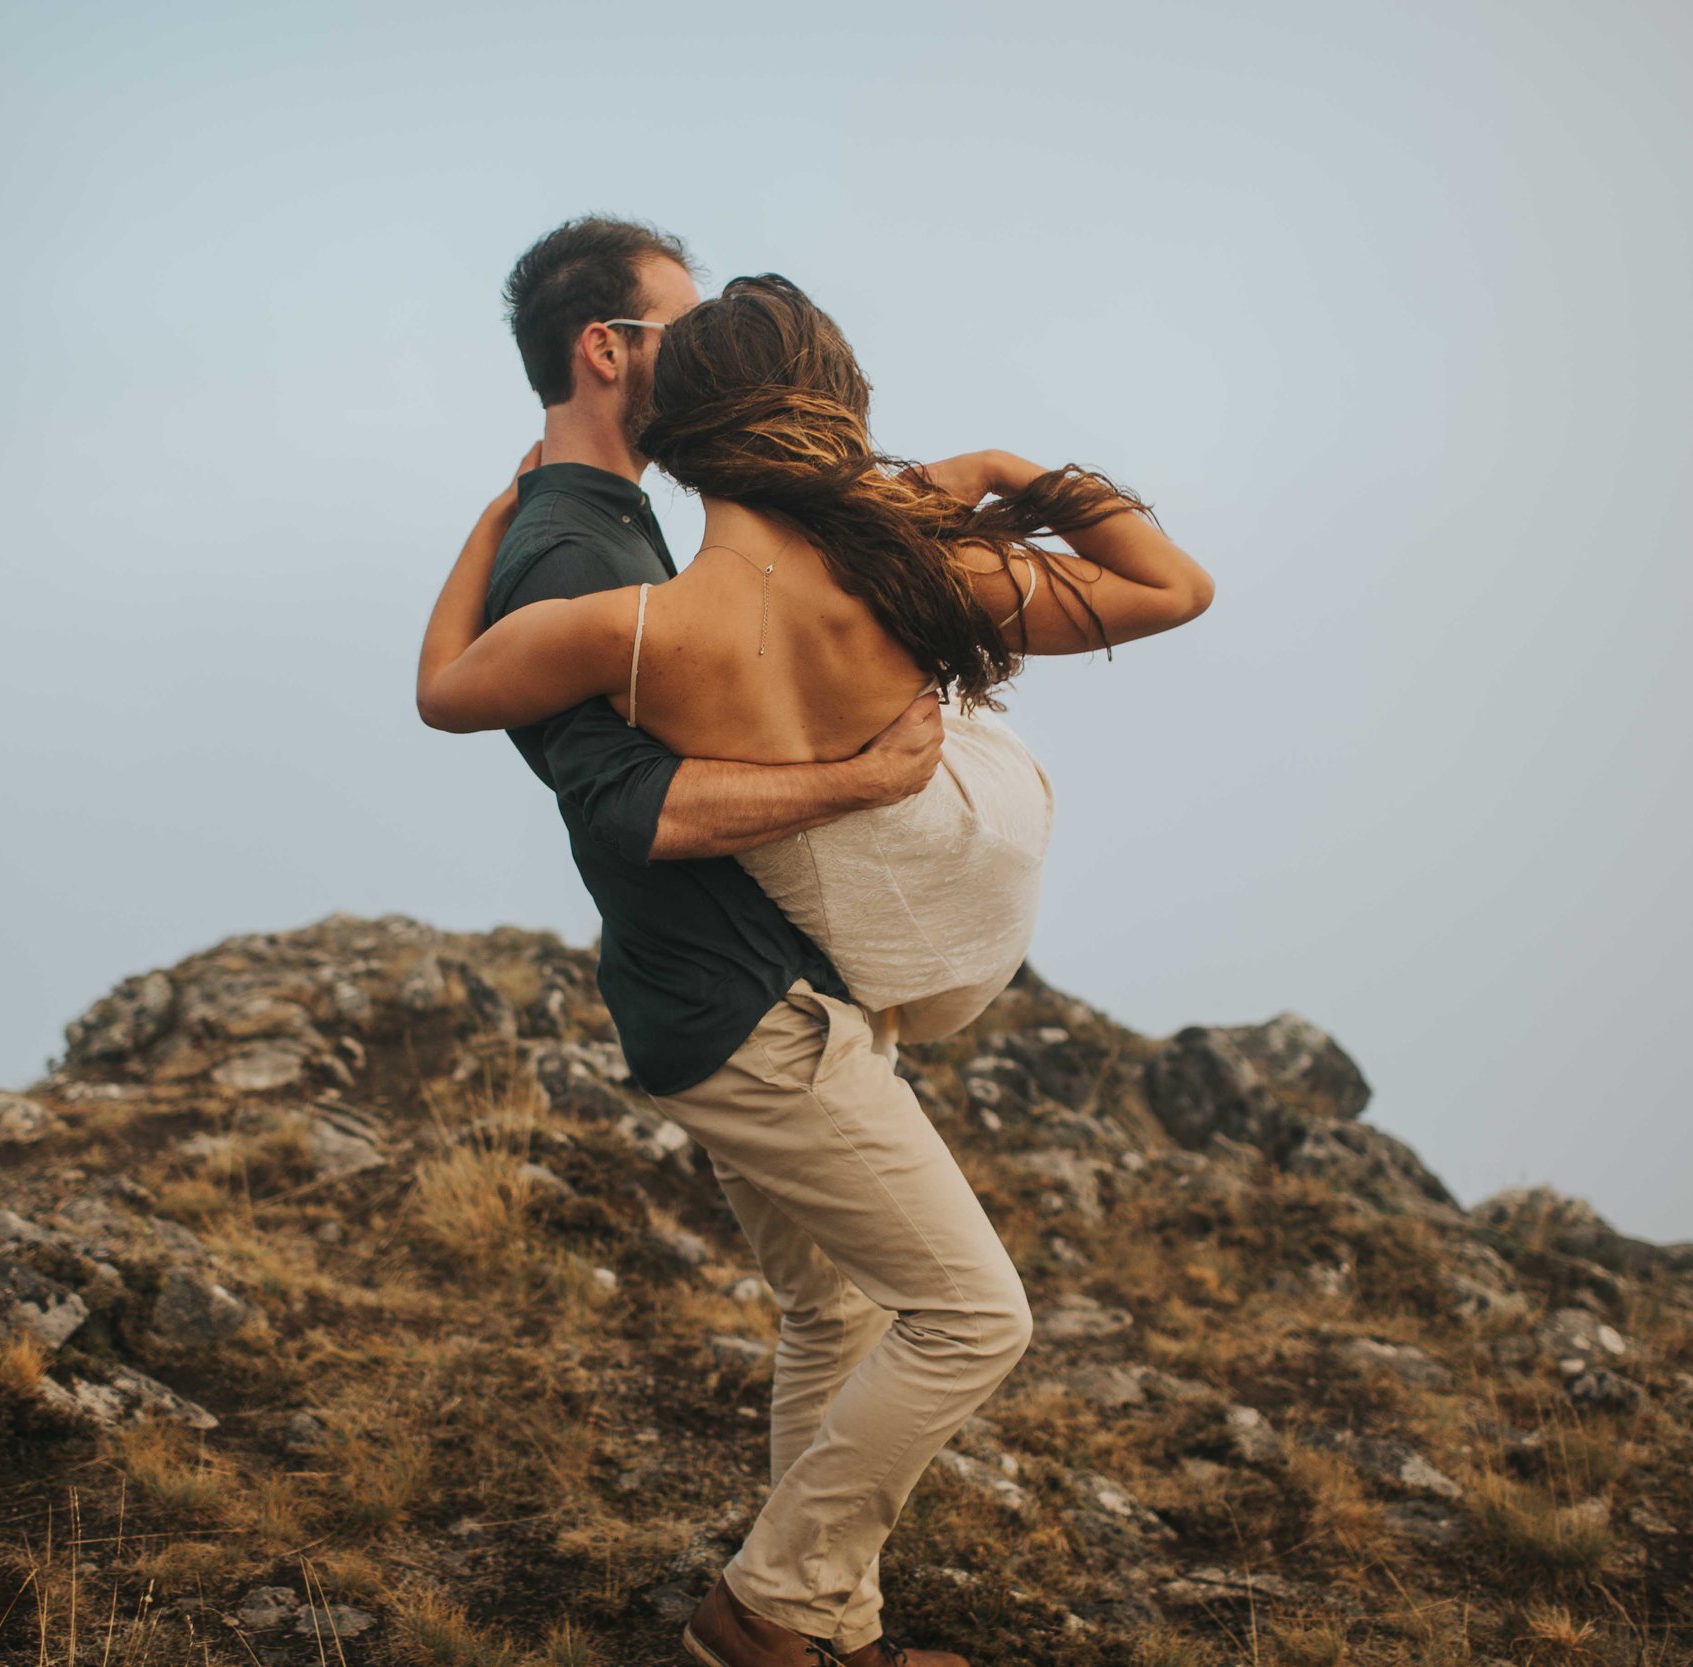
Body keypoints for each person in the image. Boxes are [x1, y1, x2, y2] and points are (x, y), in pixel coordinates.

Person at [415, 226, 1214, 1667]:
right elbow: (1172, 588)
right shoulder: (916, 564)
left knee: (830, 1305)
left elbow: (447, 690)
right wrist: (1009, 474)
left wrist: (494, 515)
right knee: (973, 1319)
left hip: (754, 995)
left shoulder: (641, 614)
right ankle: (769, 1613)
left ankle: (827, 1629)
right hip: (753, 1022)